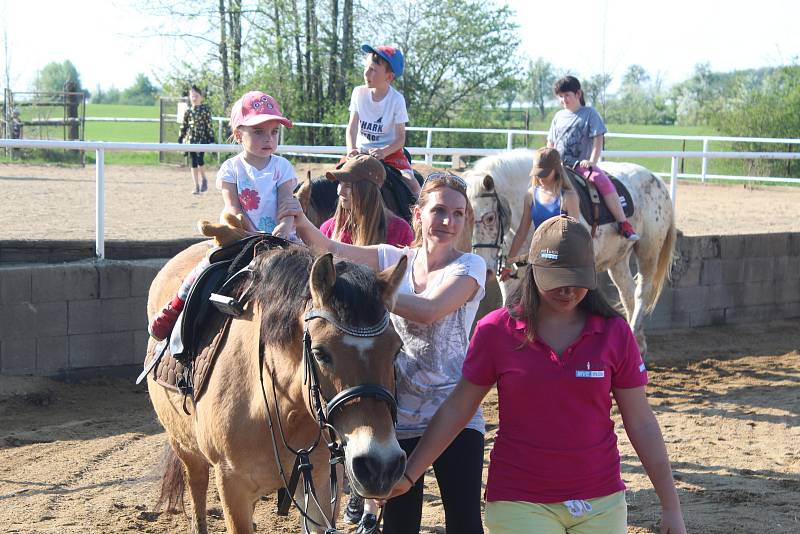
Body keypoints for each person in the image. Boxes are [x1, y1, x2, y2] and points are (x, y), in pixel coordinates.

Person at [388, 215, 687, 534]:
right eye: (557, 279)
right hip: (520, 501)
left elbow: (640, 421)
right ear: (533, 271)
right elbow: (458, 408)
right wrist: (410, 474)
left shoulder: (615, 334)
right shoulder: (495, 331)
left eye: (579, 278)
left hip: (601, 500)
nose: (569, 290)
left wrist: (671, 506)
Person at [281, 172, 487, 534]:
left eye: (458, 214)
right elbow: (334, 249)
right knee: (399, 526)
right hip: (399, 413)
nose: (448, 222)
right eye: (438, 211)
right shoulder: (394, 257)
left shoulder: (470, 267)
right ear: (418, 214)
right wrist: (299, 219)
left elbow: (429, 309)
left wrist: (374, 295)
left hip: (454, 415)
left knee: (465, 522)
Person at [148, 90, 297, 342]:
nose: (268, 139)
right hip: (238, 235)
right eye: (259, 131)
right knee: (206, 265)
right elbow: (233, 207)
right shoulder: (232, 168)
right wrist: (253, 234)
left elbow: (287, 204)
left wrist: (284, 224)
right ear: (239, 135)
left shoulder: (282, 167)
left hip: (279, 237)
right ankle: (176, 308)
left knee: (310, 267)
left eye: (273, 132)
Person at [548, 75, 639, 241]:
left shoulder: (589, 114)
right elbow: (551, 143)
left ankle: (623, 222)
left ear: (578, 94)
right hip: (559, 164)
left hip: (579, 164)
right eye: (560, 96)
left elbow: (598, 140)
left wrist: (592, 161)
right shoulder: (558, 117)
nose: (563, 100)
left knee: (601, 180)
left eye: (567, 95)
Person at [347, 44, 420, 197]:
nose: (366, 73)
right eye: (366, 67)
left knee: (411, 182)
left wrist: (383, 151)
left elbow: (400, 139)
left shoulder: (397, 100)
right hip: (361, 152)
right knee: (338, 181)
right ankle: (334, 220)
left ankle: (420, 217)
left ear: (389, 77)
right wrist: (351, 149)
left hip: (391, 154)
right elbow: (352, 127)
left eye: (373, 69)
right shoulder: (358, 93)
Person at [501, 147, 580, 280]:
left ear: (556, 170)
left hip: (562, 259)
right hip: (540, 257)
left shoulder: (568, 197)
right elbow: (521, 232)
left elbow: (575, 234)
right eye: (538, 172)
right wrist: (509, 262)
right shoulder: (531, 195)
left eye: (544, 173)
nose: (540, 177)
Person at [320, 154, 413, 248]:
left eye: (348, 186)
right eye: (340, 184)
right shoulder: (328, 229)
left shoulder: (399, 231)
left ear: (368, 191)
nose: (340, 192)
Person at [179, 85, 216, 194]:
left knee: (200, 160)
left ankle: (204, 178)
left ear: (201, 97)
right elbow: (184, 125)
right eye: (192, 96)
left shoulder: (205, 110)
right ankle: (196, 186)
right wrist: (181, 136)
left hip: (202, 139)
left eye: (196, 96)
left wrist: (211, 138)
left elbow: (208, 125)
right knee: (193, 162)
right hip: (191, 139)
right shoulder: (188, 111)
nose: (194, 98)